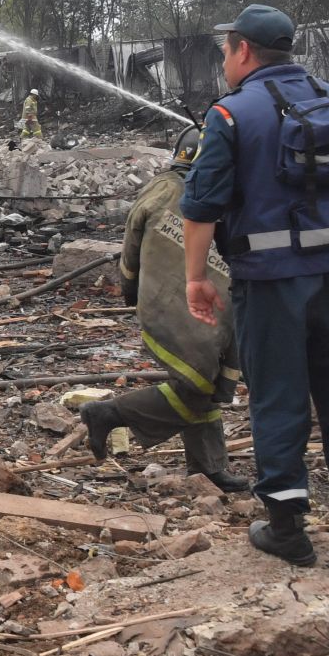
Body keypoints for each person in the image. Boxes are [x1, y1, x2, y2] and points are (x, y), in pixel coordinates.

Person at [180, 4, 329, 566]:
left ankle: (286, 527)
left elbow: (201, 207)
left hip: (272, 284)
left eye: (225, 50)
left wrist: (195, 278)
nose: (224, 61)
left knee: (279, 393)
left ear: (243, 50)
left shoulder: (229, 115)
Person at [79, 126, 246, 492]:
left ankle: (208, 467)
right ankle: (108, 413)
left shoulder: (213, 188)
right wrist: (130, 285)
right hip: (179, 304)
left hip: (210, 301)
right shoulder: (171, 187)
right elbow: (133, 238)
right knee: (197, 384)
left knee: (206, 386)